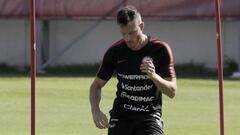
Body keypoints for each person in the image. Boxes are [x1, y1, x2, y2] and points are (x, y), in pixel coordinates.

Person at [89, 5, 177, 135]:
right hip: (121, 116)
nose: (128, 39)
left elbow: (172, 92)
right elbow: (96, 85)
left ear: (141, 26)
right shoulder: (115, 51)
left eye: (132, 32)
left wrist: (153, 76)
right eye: (123, 33)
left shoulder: (160, 49)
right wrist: (95, 110)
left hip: (149, 116)